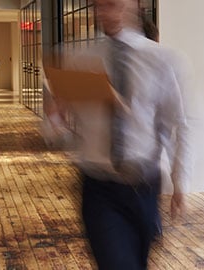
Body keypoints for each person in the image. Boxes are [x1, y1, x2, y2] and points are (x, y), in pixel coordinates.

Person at [44, 0, 191, 268]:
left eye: (111, 4)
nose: (103, 13)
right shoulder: (79, 58)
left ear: (135, 4)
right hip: (99, 186)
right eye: (98, 6)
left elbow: (177, 124)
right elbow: (53, 129)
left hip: (144, 187)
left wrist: (180, 181)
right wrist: (54, 117)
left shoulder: (163, 59)